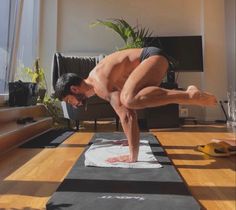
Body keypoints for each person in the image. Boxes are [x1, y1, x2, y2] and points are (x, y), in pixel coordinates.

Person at [55, 47, 217, 163]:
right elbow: (127, 113)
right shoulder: (98, 83)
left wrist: (133, 155)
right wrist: (130, 140)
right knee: (134, 99)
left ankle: (189, 95)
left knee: (129, 99)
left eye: (70, 100)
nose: (74, 105)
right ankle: (190, 94)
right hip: (152, 60)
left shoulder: (99, 83)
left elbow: (127, 115)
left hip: (151, 57)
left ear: (74, 89)